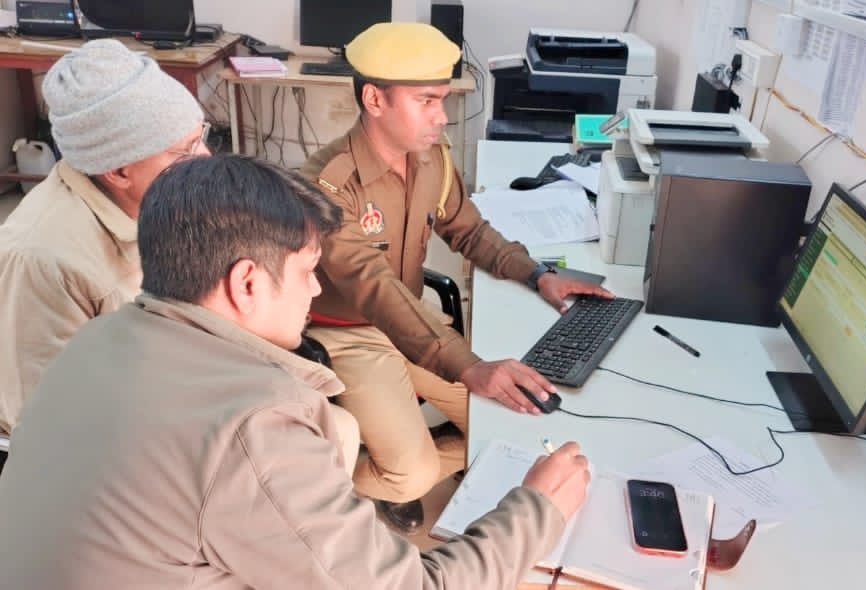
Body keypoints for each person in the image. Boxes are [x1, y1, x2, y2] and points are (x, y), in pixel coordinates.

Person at [0, 154, 591, 589]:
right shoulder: (252, 425)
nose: (313, 290)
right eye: (308, 271)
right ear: (247, 282)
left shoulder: (97, 338)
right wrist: (537, 510)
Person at [300, 22, 611, 533]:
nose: (441, 117)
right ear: (375, 100)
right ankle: (334, 482)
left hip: (413, 323)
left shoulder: (432, 161)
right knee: (414, 472)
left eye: (441, 99)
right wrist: (468, 366)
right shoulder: (326, 185)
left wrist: (538, 275)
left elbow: (470, 231)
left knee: (514, 418)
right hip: (349, 333)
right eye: (426, 101)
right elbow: (374, 287)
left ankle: (408, 460)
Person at [0, 38, 209, 435]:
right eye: (185, 150)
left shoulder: (163, 200)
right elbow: (44, 420)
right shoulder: (42, 260)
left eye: (201, 137)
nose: (205, 159)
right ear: (118, 171)